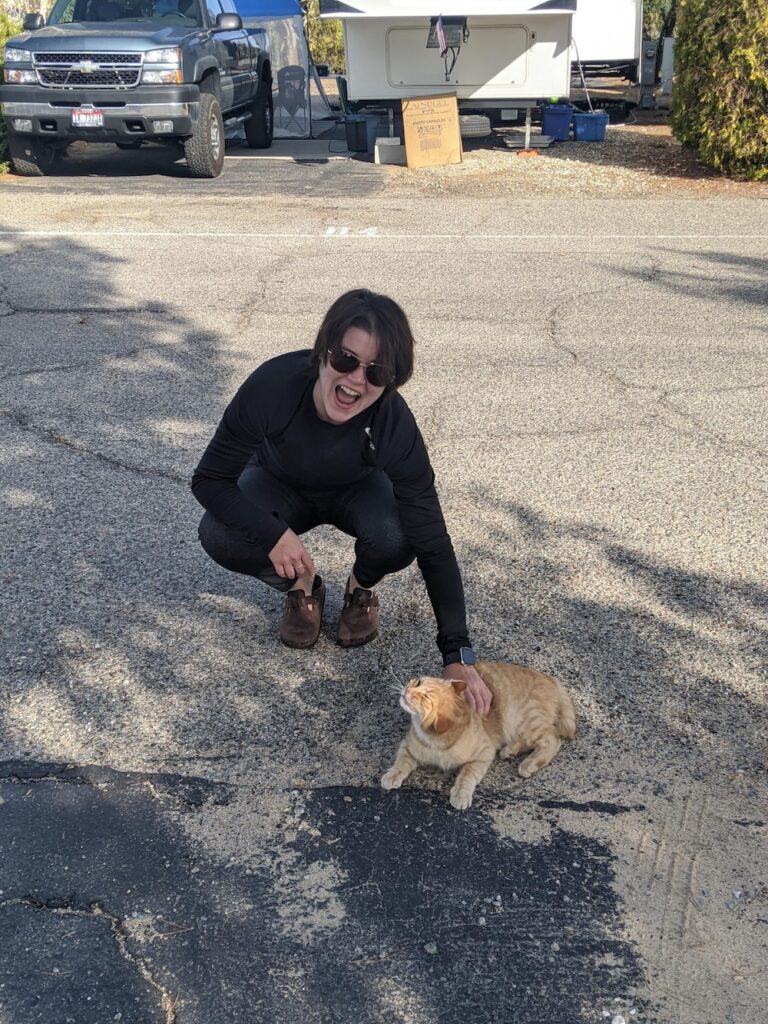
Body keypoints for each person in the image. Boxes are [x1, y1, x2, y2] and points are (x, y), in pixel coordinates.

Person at [191, 289, 493, 715]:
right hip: (279, 483)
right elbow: (210, 480)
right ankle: (302, 587)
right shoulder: (272, 385)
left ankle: (360, 589)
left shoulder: (393, 423)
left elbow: (433, 540)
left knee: (401, 533)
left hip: (358, 490)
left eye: (377, 371)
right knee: (220, 532)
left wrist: (457, 655)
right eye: (346, 359)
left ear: (393, 379)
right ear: (323, 352)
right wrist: (272, 534)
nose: (355, 380)